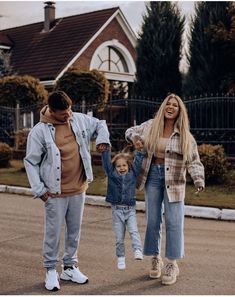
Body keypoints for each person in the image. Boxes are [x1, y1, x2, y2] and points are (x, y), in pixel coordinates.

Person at [24, 91, 110, 291]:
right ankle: (50, 270)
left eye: (70, 109)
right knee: (53, 233)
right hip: (54, 193)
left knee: (74, 231)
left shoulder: (78, 119)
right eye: (63, 112)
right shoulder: (39, 131)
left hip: (79, 188)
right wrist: (40, 190)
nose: (68, 114)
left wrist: (102, 140)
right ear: (52, 111)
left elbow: (100, 124)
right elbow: (30, 162)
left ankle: (70, 267)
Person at [125, 93, 205, 285]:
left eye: (175, 106)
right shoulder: (150, 125)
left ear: (179, 111)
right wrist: (136, 139)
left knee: (174, 221)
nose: (170, 107)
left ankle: (171, 263)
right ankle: (155, 258)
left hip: (175, 180)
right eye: (168, 104)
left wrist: (198, 179)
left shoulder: (185, 134)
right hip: (152, 176)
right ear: (163, 107)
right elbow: (130, 132)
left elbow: (193, 160)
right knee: (153, 220)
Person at [100, 140, 145, 270]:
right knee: (119, 237)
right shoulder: (112, 174)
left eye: (124, 165)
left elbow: (137, 161)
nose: (122, 168)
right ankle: (121, 257)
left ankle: (137, 250)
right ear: (114, 168)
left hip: (130, 210)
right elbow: (107, 164)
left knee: (133, 231)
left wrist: (139, 151)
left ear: (128, 166)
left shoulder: (133, 174)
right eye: (118, 166)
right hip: (117, 211)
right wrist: (105, 150)